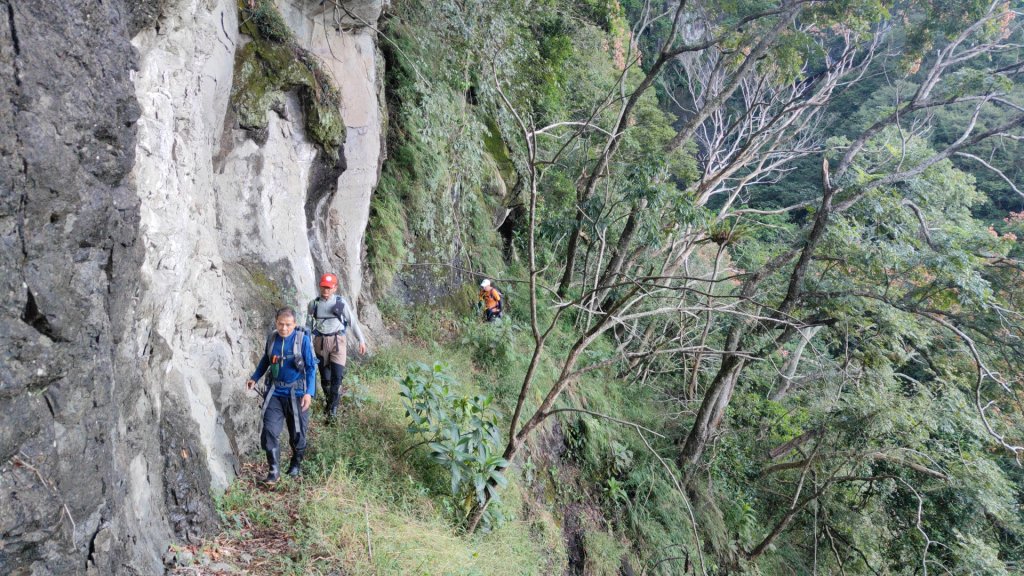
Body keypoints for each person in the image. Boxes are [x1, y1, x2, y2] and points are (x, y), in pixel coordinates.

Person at [246, 307, 317, 483]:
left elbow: (310, 368)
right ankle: (274, 471)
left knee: (297, 433)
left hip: (297, 393)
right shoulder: (272, 338)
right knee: (269, 429)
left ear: (294, 324)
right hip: (275, 392)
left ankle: (296, 461)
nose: (284, 328)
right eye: (280, 324)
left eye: (288, 325)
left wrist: (309, 393)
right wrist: (255, 377)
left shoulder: (302, 340)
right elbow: (266, 359)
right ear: (276, 322)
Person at [307, 273, 367, 423]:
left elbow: (352, 322)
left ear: (335, 288)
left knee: (337, 378)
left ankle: (332, 412)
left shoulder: (340, 303)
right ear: (320, 286)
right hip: (320, 343)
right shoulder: (313, 304)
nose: (325, 290)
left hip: (337, 342)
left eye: (329, 287)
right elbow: (308, 327)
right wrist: (306, 345)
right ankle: (329, 404)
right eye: (323, 286)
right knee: (325, 380)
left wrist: (361, 340)